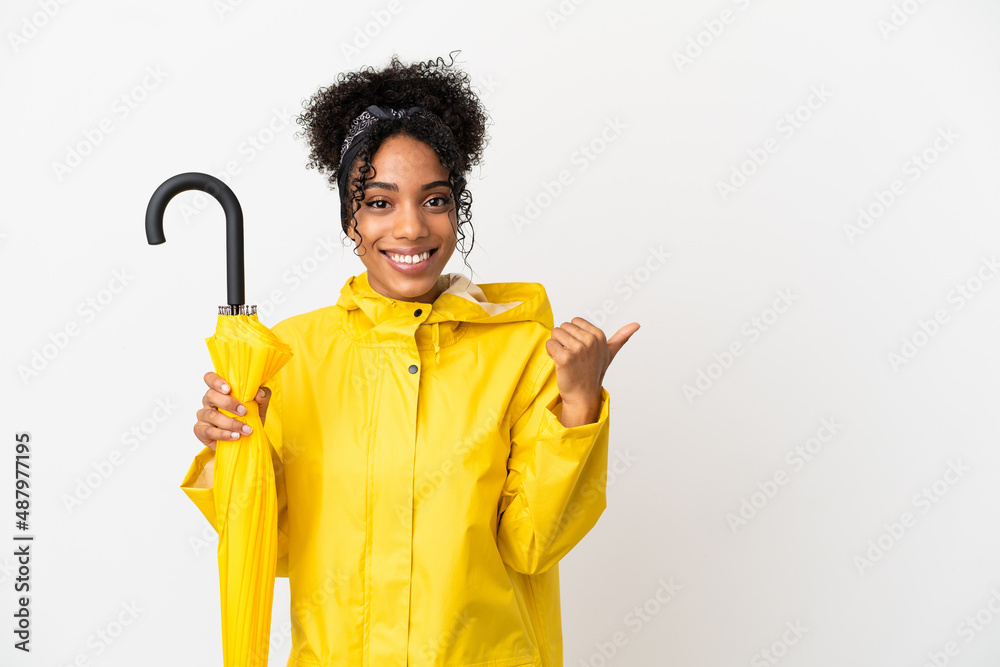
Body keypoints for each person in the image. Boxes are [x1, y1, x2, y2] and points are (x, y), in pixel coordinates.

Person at [181, 52, 639, 667]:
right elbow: (278, 545)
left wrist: (579, 405)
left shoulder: (524, 352)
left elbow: (533, 544)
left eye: (435, 199)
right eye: (379, 202)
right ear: (350, 218)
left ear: (457, 210)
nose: (410, 228)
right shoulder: (289, 355)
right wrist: (232, 451)